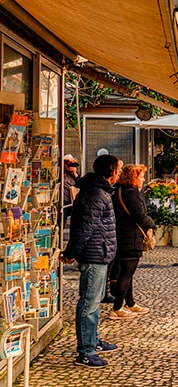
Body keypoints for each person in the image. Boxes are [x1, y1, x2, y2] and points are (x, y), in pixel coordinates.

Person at [61, 153, 122, 369]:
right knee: (88, 303)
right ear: (111, 172)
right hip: (93, 254)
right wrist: (71, 252)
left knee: (93, 302)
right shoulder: (96, 194)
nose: (120, 174)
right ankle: (85, 351)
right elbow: (84, 228)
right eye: (118, 170)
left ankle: (93, 341)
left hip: (100, 253)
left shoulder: (100, 191)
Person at [109, 164, 154, 320]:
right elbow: (140, 216)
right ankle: (117, 308)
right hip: (130, 238)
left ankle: (130, 303)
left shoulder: (118, 191)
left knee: (126, 273)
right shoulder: (132, 194)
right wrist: (151, 223)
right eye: (141, 177)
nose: (143, 180)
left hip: (119, 236)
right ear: (133, 178)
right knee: (126, 273)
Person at [62, 154, 79, 226]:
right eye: (69, 164)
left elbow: (80, 183)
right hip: (64, 199)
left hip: (72, 199)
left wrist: (74, 173)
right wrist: (66, 161)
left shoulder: (73, 174)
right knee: (63, 218)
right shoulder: (62, 172)